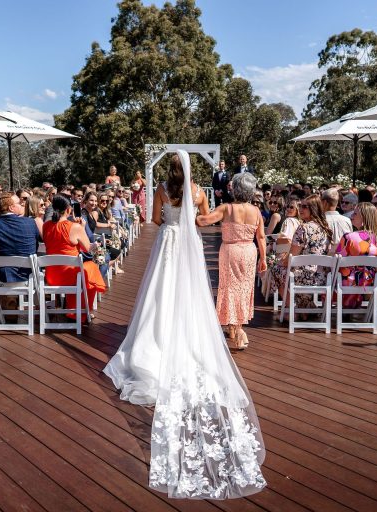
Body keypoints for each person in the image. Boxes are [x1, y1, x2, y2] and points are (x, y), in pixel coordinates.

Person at [103, 151, 265, 499]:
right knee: (189, 290)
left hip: (167, 244)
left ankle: (154, 337)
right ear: (190, 169)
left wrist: (172, 222)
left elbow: (157, 220)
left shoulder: (161, 187)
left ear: (168, 169)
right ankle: (187, 331)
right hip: (188, 243)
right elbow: (202, 220)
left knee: (159, 291)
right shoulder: (198, 191)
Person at [197, 172, 267, 350]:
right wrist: (263, 258)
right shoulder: (256, 211)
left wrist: (187, 215)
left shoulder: (226, 208)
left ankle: (237, 329)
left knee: (229, 288)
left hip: (230, 251)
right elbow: (261, 237)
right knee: (243, 289)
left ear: (234, 189)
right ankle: (236, 327)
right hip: (249, 252)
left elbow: (205, 221)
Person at [42, 195, 106, 321]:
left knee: (86, 270)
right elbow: (88, 248)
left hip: (51, 275)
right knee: (92, 268)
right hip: (70, 276)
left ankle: (75, 308)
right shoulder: (74, 227)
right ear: (68, 209)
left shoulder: (46, 226)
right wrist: (83, 230)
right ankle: (80, 311)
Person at [270, 195, 332, 308]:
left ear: (313, 209)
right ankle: (306, 307)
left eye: (304, 206)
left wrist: (280, 260)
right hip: (322, 277)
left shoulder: (303, 228)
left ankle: (292, 309)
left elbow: (292, 258)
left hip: (304, 277)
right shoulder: (326, 228)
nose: (300, 209)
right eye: (300, 206)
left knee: (276, 269)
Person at [335, 202, 377, 308]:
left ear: (364, 218)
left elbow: (336, 261)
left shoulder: (349, 237)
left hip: (348, 281)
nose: (351, 216)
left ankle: (341, 309)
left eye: (355, 214)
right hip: (371, 281)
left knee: (331, 273)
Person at [321, 188, 353, 253]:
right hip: (343, 259)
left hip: (324, 259)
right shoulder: (347, 220)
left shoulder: (320, 221)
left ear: (324, 202)